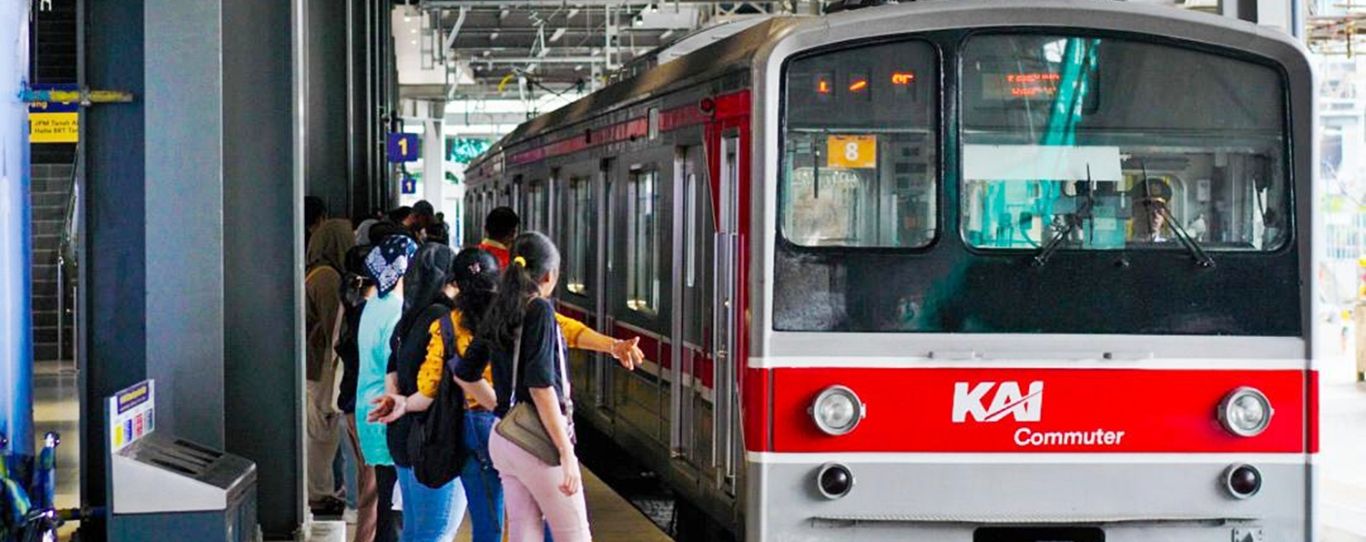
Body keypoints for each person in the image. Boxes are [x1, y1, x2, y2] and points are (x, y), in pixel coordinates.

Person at [419, 248, 641, 542]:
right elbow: (554, 362)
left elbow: (439, 380)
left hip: (488, 427)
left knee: (499, 526)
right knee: (568, 529)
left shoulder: (451, 323)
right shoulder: (530, 311)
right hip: (527, 427)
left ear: (456, 285)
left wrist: (500, 408)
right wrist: (613, 345)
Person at [463, 233, 602, 542]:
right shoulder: (539, 310)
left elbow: (465, 372)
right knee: (575, 536)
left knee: (524, 534)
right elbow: (540, 386)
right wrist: (565, 452)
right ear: (549, 275)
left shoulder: (500, 307)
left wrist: (504, 409)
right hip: (537, 443)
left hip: (504, 437)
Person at [368, 243, 469, 541]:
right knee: (435, 531)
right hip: (434, 438)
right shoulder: (444, 320)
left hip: (404, 437)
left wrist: (398, 400)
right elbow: (443, 383)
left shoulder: (408, 317)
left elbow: (392, 368)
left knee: (414, 530)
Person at [357, 234, 419, 540]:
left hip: (368, 410)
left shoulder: (373, 305)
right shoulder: (396, 311)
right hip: (384, 412)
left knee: (386, 500)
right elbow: (393, 369)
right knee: (394, 511)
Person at [305, 219, 353, 516]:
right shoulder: (328, 278)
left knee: (321, 430)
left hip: (315, 362)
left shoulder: (316, 272)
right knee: (321, 431)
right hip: (320, 364)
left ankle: (321, 490)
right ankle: (318, 493)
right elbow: (334, 327)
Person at [338, 244, 381, 541]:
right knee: (372, 490)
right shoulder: (371, 313)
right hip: (366, 408)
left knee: (368, 483)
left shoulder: (353, 308)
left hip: (352, 404)